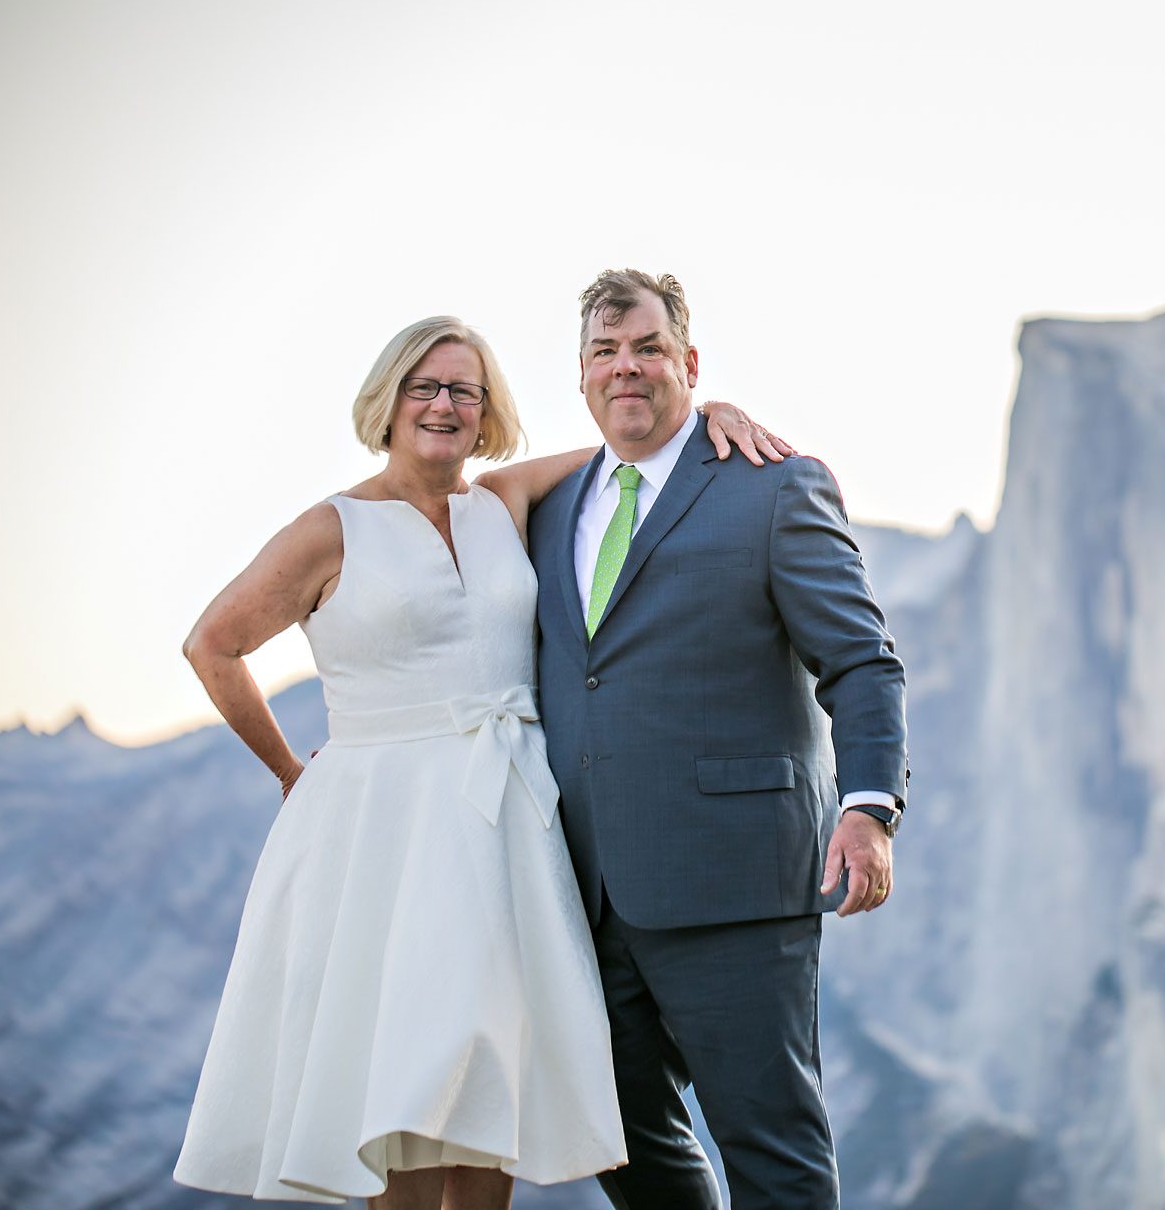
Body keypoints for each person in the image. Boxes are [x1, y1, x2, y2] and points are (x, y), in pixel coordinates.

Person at [172, 314, 790, 1208]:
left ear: (489, 409)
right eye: (425, 386)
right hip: (387, 836)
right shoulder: (330, 529)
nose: (445, 405)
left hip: (507, 829)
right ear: (387, 403)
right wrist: (287, 770)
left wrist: (705, 409)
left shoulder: (504, 500)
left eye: (466, 389)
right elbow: (212, 646)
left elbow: (634, 440)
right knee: (407, 1094)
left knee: (488, 1086)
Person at [528, 270, 908, 1209]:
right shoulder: (544, 511)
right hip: (582, 897)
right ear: (579, 376)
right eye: (606, 353)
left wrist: (870, 807)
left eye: (649, 348)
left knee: (771, 1156)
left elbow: (861, 662)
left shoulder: (775, 488)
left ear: (689, 363)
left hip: (736, 885)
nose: (628, 367)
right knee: (617, 1143)